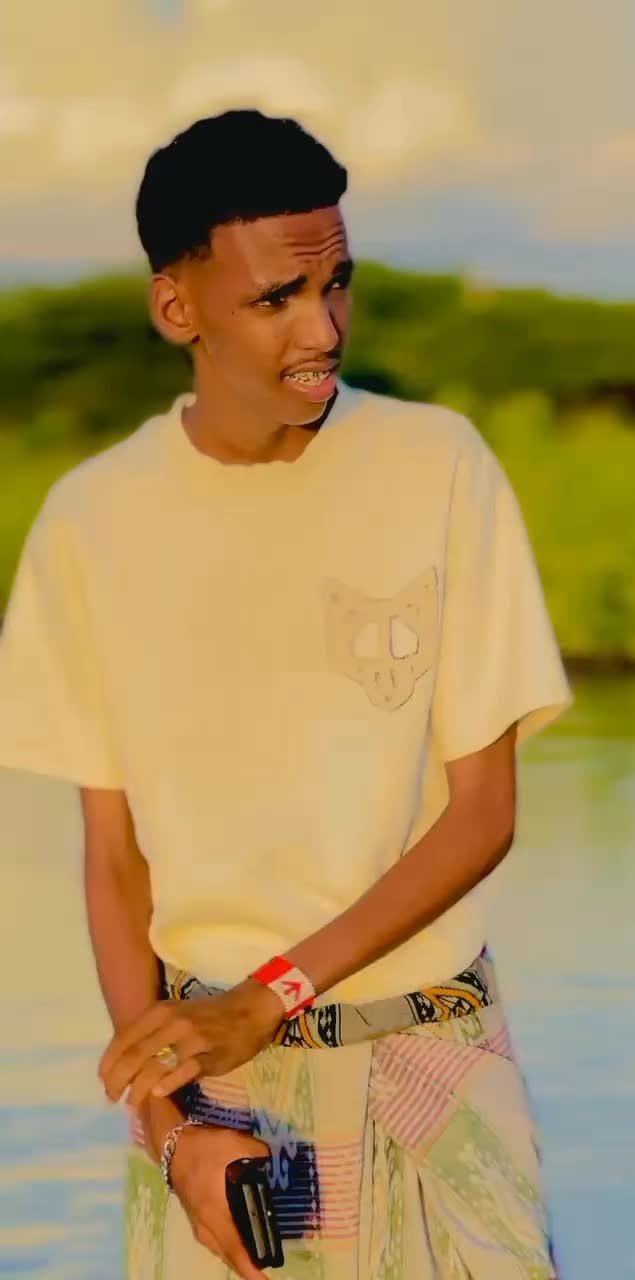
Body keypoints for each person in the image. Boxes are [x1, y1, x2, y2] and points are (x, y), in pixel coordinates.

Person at [0, 108, 573, 1279]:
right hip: (218, 1101)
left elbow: (483, 814)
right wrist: (171, 1134)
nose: (323, 329)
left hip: (434, 1061)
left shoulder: (439, 465)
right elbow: (114, 858)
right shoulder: (91, 523)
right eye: (276, 298)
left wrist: (270, 994)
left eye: (337, 282)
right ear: (178, 307)